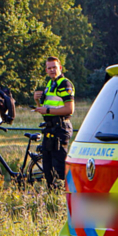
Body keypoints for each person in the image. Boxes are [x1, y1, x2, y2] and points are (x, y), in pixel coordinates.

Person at [33, 56, 74, 188]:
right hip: (50, 128)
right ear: (46, 70)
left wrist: (48, 110)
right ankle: (52, 196)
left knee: (59, 167)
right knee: (48, 168)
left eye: (54, 67)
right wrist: (37, 101)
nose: (52, 70)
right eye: (49, 68)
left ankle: (63, 197)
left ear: (60, 68)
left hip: (61, 127)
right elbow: (44, 109)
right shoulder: (50, 84)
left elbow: (69, 109)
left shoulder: (64, 84)